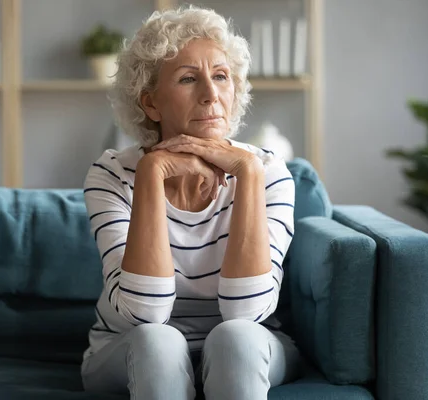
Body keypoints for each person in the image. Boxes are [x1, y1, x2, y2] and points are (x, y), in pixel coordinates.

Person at [81, 6, 300, 400]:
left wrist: (247, 175)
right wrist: (151, 173)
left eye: (221, 77)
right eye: (188, 79)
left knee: (236, 337)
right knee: (157, 342)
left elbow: (246, 312)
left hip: (247, 345)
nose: (211, 94)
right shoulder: (112, 174)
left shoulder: (266, 170)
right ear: (151, 104)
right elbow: (145, 314)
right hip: (130, 347)